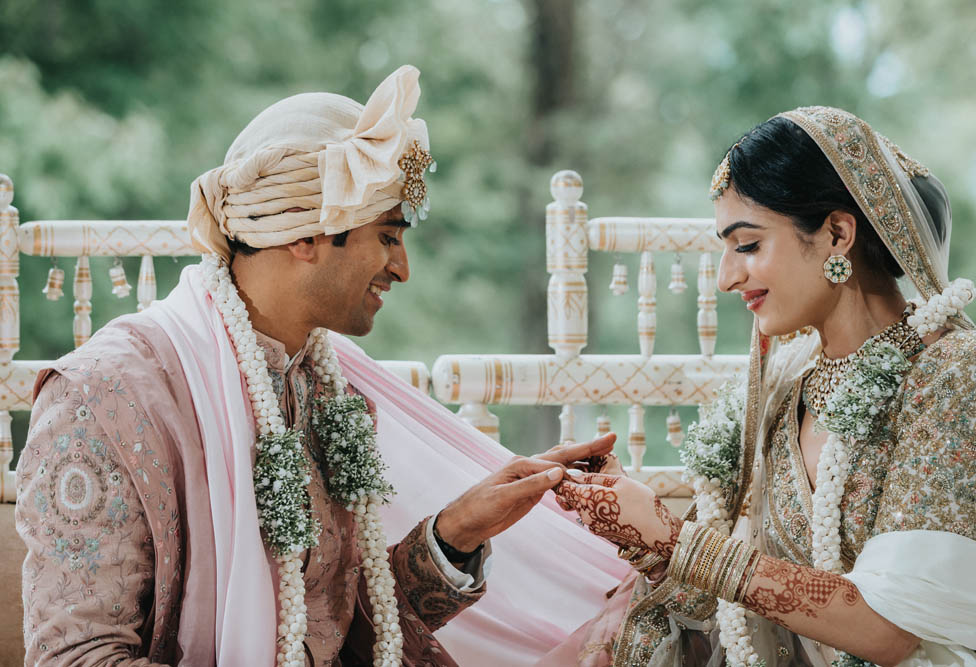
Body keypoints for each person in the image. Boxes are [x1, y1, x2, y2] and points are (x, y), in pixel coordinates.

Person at [15, 65, 623, 666]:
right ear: (307, 235)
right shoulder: (105, 399)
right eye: (387, 236)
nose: (403, 268)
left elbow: (344, 633)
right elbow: (78, 658)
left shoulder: (324, 384)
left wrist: (458, 530)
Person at [550, 106, 976, 666]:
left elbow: (891, 629)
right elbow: (729, 591)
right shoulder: (789, 379)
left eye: (746, 245)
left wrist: (673, 537)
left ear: (837, 233)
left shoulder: (957, 371)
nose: (725, 277)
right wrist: (639, 532)